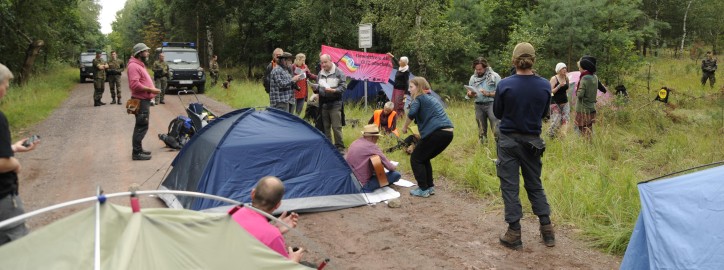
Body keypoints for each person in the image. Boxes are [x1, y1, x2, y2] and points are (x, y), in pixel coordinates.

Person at [493, 42, 555, 250]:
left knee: (510, 186)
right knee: (534, 184)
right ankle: (547, 231)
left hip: (509, 140)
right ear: (533, 60)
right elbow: (545, 114)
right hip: (532, 141)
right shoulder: (545, 85)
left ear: (514, 60)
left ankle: (514, 233)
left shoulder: (505, 84)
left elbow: (499, 113)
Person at [0, 63, 40, 245]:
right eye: (5, 85)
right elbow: (2, 163)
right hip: (3, 199)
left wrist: (12, 148)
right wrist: (14, 164)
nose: (6, 90)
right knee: (17, 249)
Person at [231, 176, 304, 263]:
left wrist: (274, 229)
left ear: (253, 193)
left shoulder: (232, 212)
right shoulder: (273, 236)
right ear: (278, 205)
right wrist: (293, 261)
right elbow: (282, 267)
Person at [401, 77, 453, 198]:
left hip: (437, 132)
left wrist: (404, 127)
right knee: (424, 158)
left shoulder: (418, 98)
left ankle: (423, 188)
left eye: (411, 87)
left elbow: (412, 113)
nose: (409, 90)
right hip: (448, 133)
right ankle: (429, 187)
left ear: (418, 87)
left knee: (416, 158)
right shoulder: (430, 98)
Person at [127, 43, 161, 161]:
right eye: (146, 51)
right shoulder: (133, 66)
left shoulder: (139, 65)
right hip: (140, 100)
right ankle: (136, 153)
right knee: (141, 126)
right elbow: (134, 84)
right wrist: (151, 89)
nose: (148, 53)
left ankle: (139, 150)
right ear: (139, 53)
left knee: (140, 125)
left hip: (142, 99)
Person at [345, 125, 401, 192]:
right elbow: (390, 167)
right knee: (396, 175)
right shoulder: (372, 146)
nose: (377, 139)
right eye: (377, 137)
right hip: (362, 185)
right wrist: (393, 166)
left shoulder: (355, 142)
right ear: (373, 137)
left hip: (350, 180)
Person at [315, 54, 347, 152]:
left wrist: (334, 90)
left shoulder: (339, 72)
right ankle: (329, 148)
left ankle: (340, 148)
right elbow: (319, 86)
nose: (323, 65)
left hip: (335, 103)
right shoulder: (320, 73)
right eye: (322, 62)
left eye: (325, 62)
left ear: (330, 61)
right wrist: (316, 89)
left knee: (336, 127)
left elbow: (344, 86)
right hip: (324, 103)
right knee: (326, 127)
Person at [466, 57, 501, 144]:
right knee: (481, 130)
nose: (478, 71)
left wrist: (488, 94)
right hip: (478, 105)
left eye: (480, 69)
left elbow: (501, 93)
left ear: (485, 67)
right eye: (476, 69)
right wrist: (470, 94)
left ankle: (500, 147)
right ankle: (483, 149)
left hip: (491, 104)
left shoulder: (495, 76)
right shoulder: (473, 78)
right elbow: (469, 93)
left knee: (496, 128)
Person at [575, 56, 599, 141]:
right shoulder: (595, 77)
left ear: (583, 68)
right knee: (589, 129)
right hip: (591, 108)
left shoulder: (584, 78)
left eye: (579, 68)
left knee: (582, 130)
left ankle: (584, 147)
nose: (579, 69)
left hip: (582, 108)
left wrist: (576, 91)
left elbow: (580, 94)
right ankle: (590, 146)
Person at [548, 62, 570, 138]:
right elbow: (550, 91)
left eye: (565, 68)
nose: (565, 69)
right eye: (563, 68)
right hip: (554, 102)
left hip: (565, 102)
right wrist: (559, 86)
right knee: (556, 120)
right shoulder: (554, 78)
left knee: (565, 120)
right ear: (558, 70)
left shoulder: (566, 78)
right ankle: (551, 135)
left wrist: (566, 95)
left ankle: (562, 136)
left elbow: (567, 88)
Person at [386, 53, 410, 117]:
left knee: (399, 105)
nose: (399, 62)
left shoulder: (406, 71)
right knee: (393, 103)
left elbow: (407, 82)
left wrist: (405, 94)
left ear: (404, 63)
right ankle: (394, 116)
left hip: (401, 91)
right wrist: (392, 57)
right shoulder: (400, 68)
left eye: (401, 61)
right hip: (395, 89)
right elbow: (397, 63)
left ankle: (399, 117)